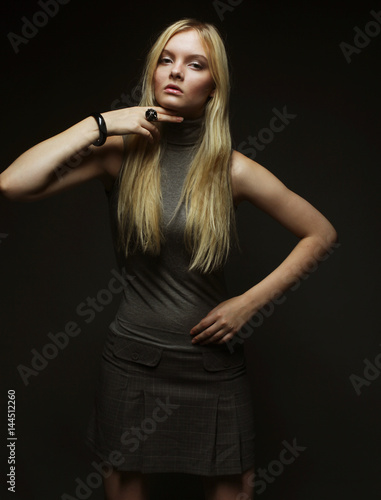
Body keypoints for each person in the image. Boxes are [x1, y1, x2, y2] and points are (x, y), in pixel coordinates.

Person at [0, 17, 337, 500]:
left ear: (212, 84)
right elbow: (13, 183)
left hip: (213, 369)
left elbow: (320, 233)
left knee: (235, 490)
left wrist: (249, 302)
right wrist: (99, 123)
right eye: (167, 59)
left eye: (195, 64)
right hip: (133, 362)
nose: (176, 72)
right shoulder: (120, 153)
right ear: (153, 72)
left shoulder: (233, 169)